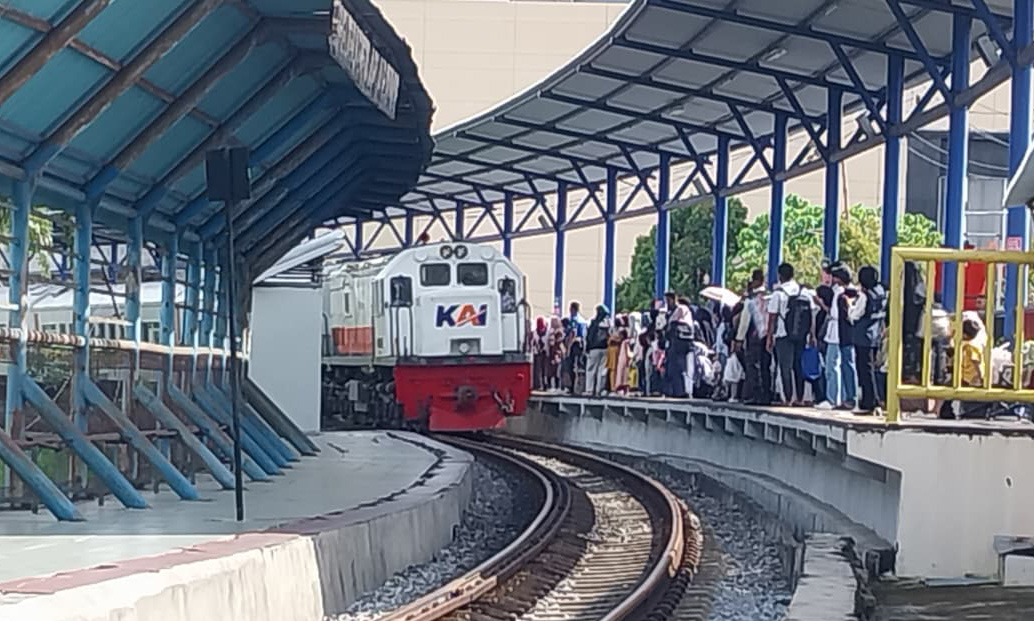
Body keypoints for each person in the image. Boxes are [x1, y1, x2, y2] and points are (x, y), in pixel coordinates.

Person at [766, 262, 812, 406]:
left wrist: (769, 337)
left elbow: (772, 318)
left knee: (785, 366)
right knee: (798, 365)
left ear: (780, 276)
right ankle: (799, 397)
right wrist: (812, 334)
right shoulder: (804, 292)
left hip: (783, 334)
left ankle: (787, 399)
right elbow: (811, 316)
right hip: (801, 334)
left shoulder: (778, 294)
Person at [817, 262, 858, 410]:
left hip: (837, 332)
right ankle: (848, 397)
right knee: (847, 365)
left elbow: (834, 313)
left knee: (832, 366)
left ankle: (832, 397)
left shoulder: (839, 293)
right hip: (846, 333)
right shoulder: (854, 292)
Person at [850, 266, 886, 414]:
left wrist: (849, 305)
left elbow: (855, 315)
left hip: (863, 336)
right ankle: (875, 400)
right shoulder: (881, 292)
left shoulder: (865, 296)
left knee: (864, 371)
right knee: (872, 369)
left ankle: (869, 402)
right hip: (876, 334)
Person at [736, 283, 771, 405]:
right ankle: (766, 394)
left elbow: (744, 323)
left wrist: (739, 339)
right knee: (766, 366)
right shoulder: (769, 301)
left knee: (753, 366)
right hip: (768, 337)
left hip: (754, 338)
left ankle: (754, 395)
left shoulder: (750, 303)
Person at [585, 305, 611, 396]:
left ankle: (589, 389)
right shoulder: (608, 323)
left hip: (594, 348)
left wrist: (587, 347)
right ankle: (599, 389)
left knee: (591, 369)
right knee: (602, 369)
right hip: (605, 348)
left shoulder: (594, 323)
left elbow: (589, 336)